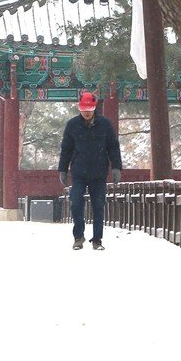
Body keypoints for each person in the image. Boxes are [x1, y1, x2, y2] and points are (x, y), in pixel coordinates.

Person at [58, 91, 122, 250]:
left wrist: (116, 167)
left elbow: (113, 147)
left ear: (94, 108)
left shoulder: (105, 125)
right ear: (80, 109)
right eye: (84, 109)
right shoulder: (72, 125)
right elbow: (66, 149)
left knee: (98, 205)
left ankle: (97, 240)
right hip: (79, 172)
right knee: (76, 202)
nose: (87, 112)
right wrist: (62, 170)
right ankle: (78, 237)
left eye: (89, 109)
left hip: (99, 172)